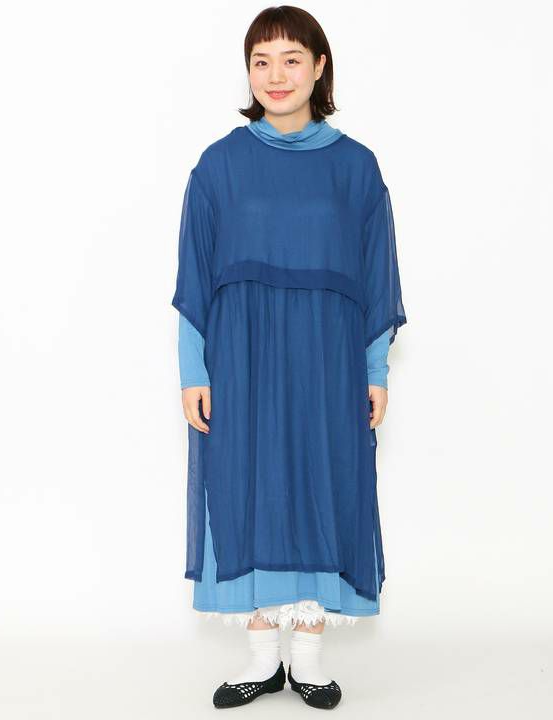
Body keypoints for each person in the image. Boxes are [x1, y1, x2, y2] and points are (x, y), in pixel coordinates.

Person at [172, 5, 407, 710]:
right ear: (248, 72)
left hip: (328, 363)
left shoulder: (356, 168)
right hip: (242, 362)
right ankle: (261, 660)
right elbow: (194, 276)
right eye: (261, 61)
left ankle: (307, 661)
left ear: (319, 67)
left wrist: (374, 370)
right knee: (247, 488)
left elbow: (377, 277)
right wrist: (194, 372)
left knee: (323, 485)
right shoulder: (218, 165)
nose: (276, 75)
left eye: (292, 59)